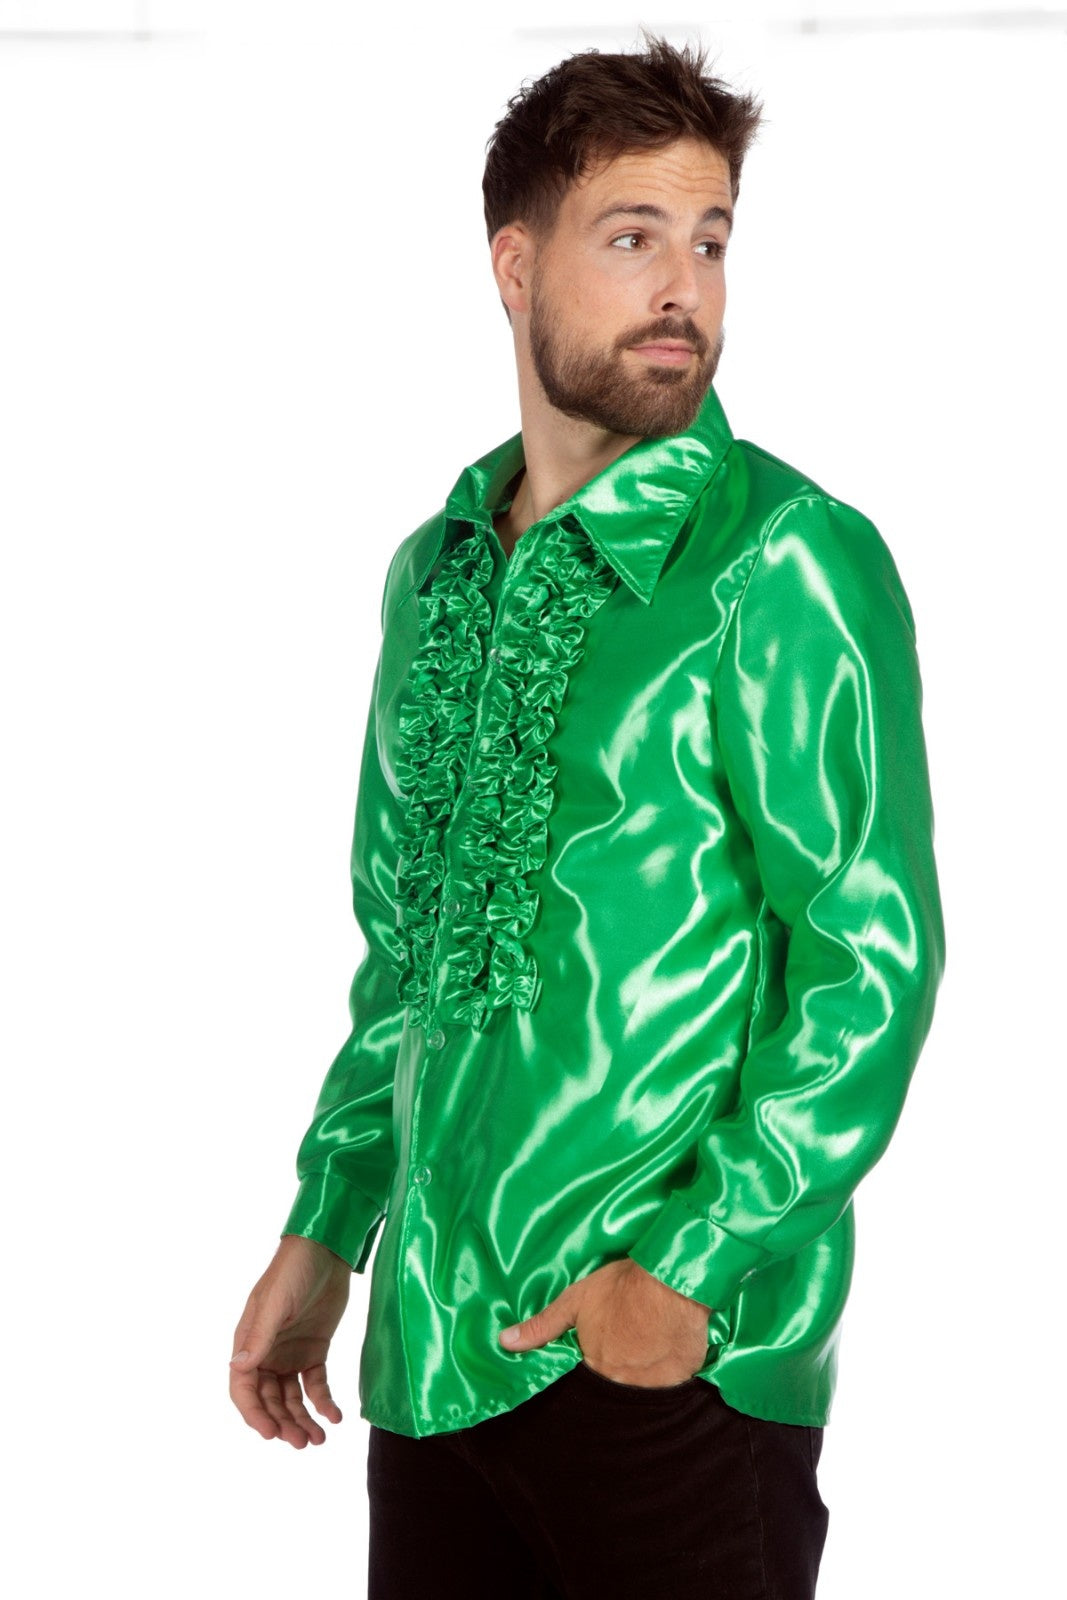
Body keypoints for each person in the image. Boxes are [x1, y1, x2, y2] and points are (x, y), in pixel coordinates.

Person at [230, 36, 945, 1599]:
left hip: (665, 1368)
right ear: (515, 264)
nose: (684, 287)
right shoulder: (439, 574)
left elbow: (869, 962)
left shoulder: (783, 561)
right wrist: (328, 1227)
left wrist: (686, 1270)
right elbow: (407, 948)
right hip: (434, 1366)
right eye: (633, 238)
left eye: (711, 241)